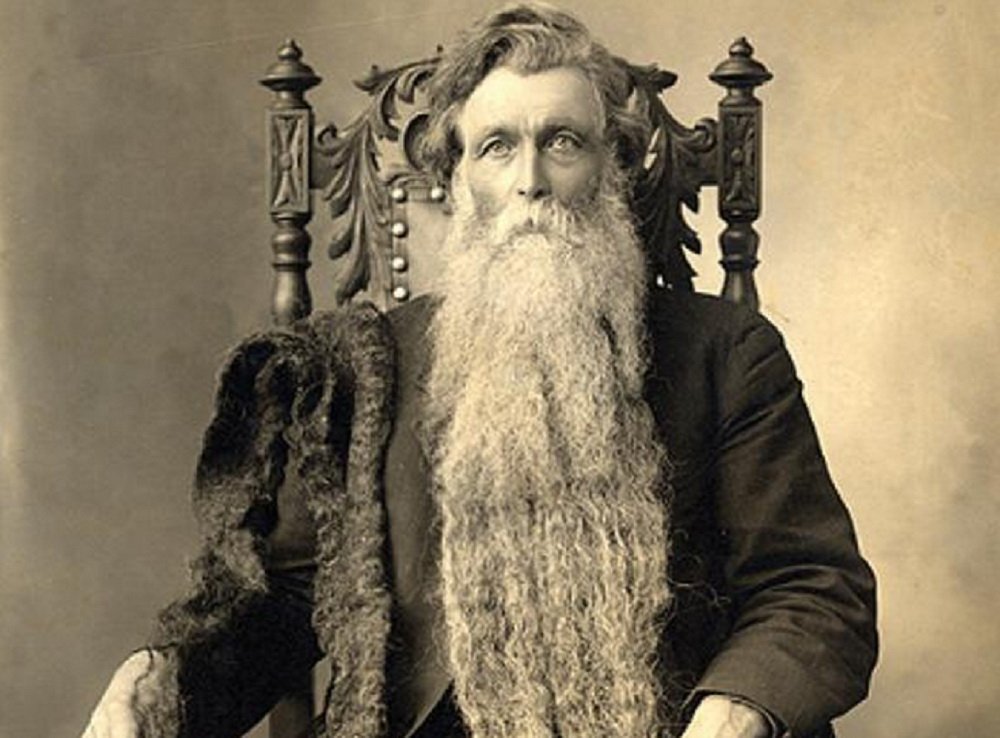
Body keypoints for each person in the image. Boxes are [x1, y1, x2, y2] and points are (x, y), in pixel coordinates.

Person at [82, 4, 877, 738]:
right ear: (456, 176)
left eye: (562, 142)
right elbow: (288, 603)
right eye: (498, 147)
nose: (531, 180)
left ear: (611, 166)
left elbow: (812, 586)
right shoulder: (364, 369)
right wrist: (163, 681)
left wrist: (737, 711)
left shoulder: (726, 353)